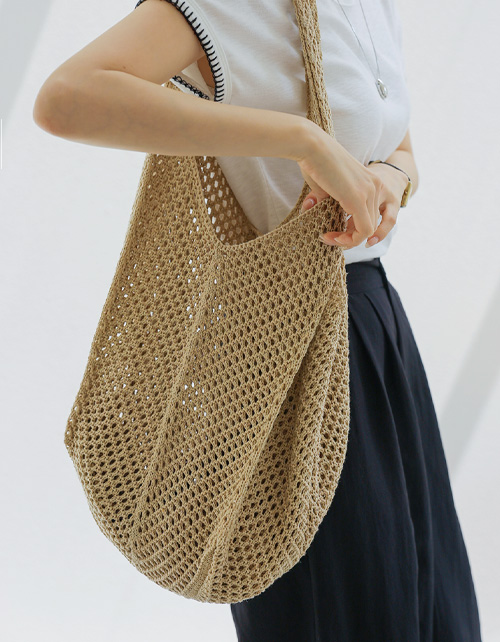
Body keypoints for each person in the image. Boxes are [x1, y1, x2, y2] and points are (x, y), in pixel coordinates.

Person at [33, 0, 483, 639]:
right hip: (280, 347)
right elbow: (66, 99)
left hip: (374, 324)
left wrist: (389, 175)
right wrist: (301, 140)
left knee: (433, 610)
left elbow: (401, 146)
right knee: (344, 612)